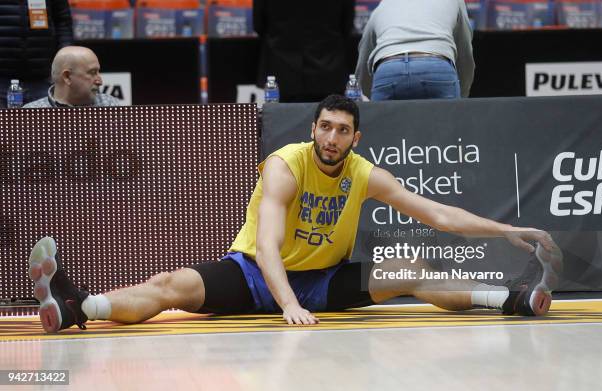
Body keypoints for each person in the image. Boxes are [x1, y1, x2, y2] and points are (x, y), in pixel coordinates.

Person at [28, 95, 562, 333]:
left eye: (342, 130)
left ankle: (513, 299)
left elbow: (440, 215)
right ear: (313, 130)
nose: (331, 137)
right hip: (257, 275)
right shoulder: (286, 165)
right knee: (170, 285)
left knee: (413, 269)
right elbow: (266, 246)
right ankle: (79, 307)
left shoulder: (363, 173)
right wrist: (286, 304)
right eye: (324, 127)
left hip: (322, 281)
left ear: (356, 137)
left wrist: (509, 229)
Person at [355, 0, 475, 101]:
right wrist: (462, 97)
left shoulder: (384, 4)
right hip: (436, 68)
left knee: (381, 129)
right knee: (449, 128)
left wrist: (365, 94)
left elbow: (364, 56)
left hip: (388, 70)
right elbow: (465, 53)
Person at [254, 0, 355, 102]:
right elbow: (347, 26)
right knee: (331, 115)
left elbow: (258, 25)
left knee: (283, 116)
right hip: (329, 67)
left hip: (282, 68)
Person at [0, 0, 73, 108]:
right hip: (2, 78)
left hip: (42, 78)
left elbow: (63, 22)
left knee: (43, 124)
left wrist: (65, 59)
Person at [24, 46, 120, 108]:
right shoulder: (31, 113)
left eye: (98, 72)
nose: (100, 81)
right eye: (92, 72)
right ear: (67, 77)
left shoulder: (109, 105)